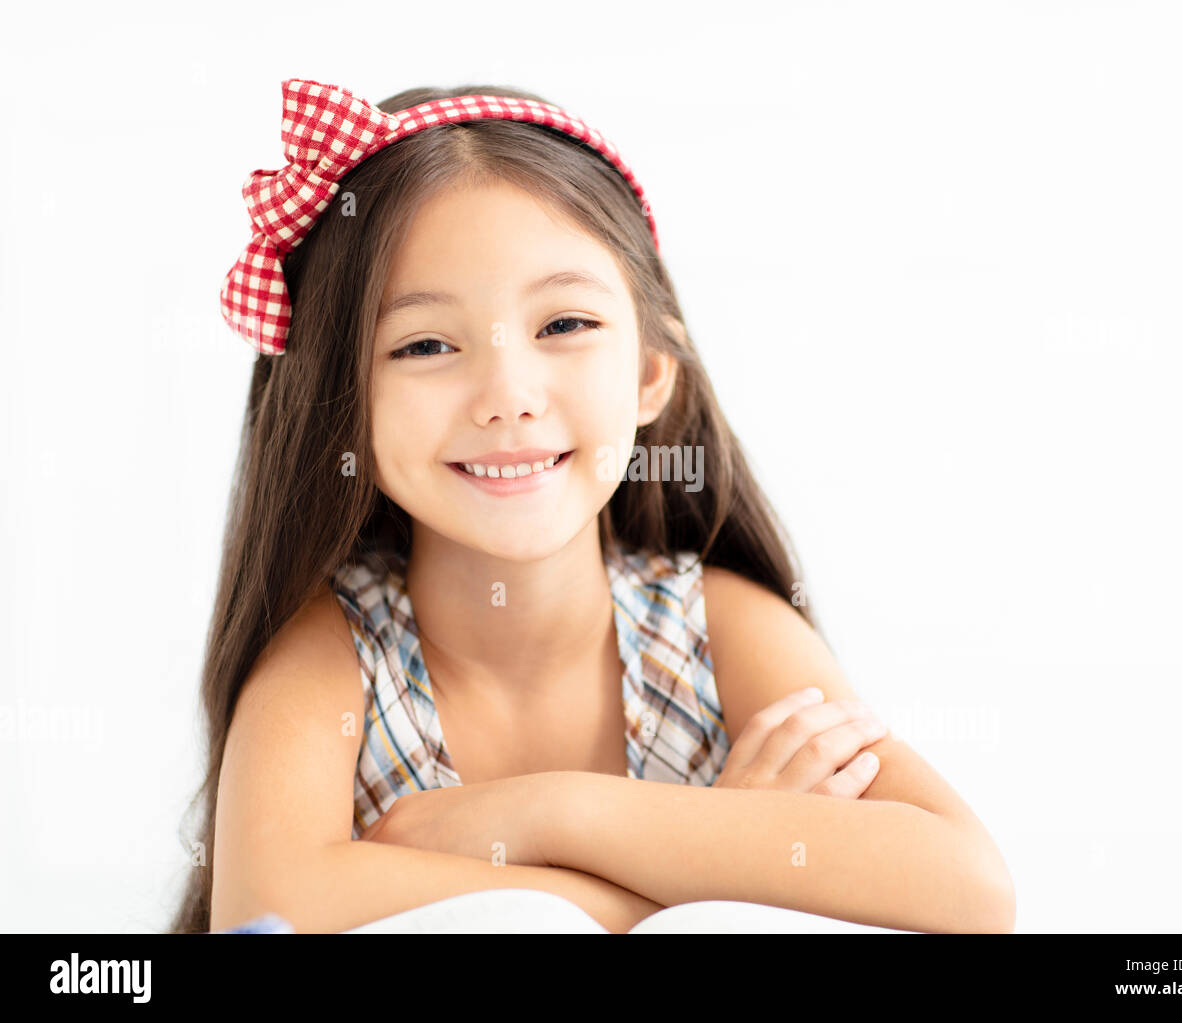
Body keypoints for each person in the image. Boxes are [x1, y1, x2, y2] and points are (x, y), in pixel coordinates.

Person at [174, 79, 1014, 935]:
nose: (508, 397)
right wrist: (701, 870)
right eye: (425, 344)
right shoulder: (337, 657)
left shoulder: (712, 631)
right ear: (343, 400)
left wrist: (548, 816)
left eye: (565, 325)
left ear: (651, 372)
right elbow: (269, 911)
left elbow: (968, 888)